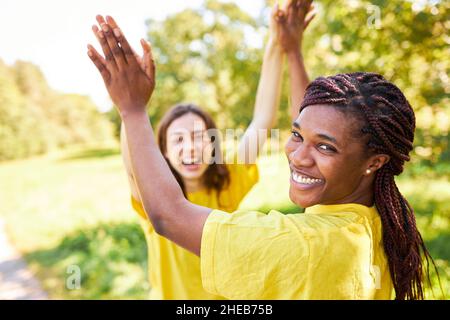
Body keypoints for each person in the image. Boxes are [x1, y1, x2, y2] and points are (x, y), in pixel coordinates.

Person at [88, 0, 437, 300]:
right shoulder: (375, 220)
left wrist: (132, 109)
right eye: (297, 136)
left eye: (325, 147)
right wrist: (290, 49)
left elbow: (170, 215)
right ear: (159, 153)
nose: (298, 155)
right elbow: (323, 123)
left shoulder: (288, 236)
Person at [88, 0, 314, 299]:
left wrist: (276, 43)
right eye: (178, 140)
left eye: (199, 137)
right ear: (163, 153)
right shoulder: (154, 194)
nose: (191, 147)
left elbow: (261, 119)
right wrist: (128, 104)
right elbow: (133, 157)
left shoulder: (227, 182)